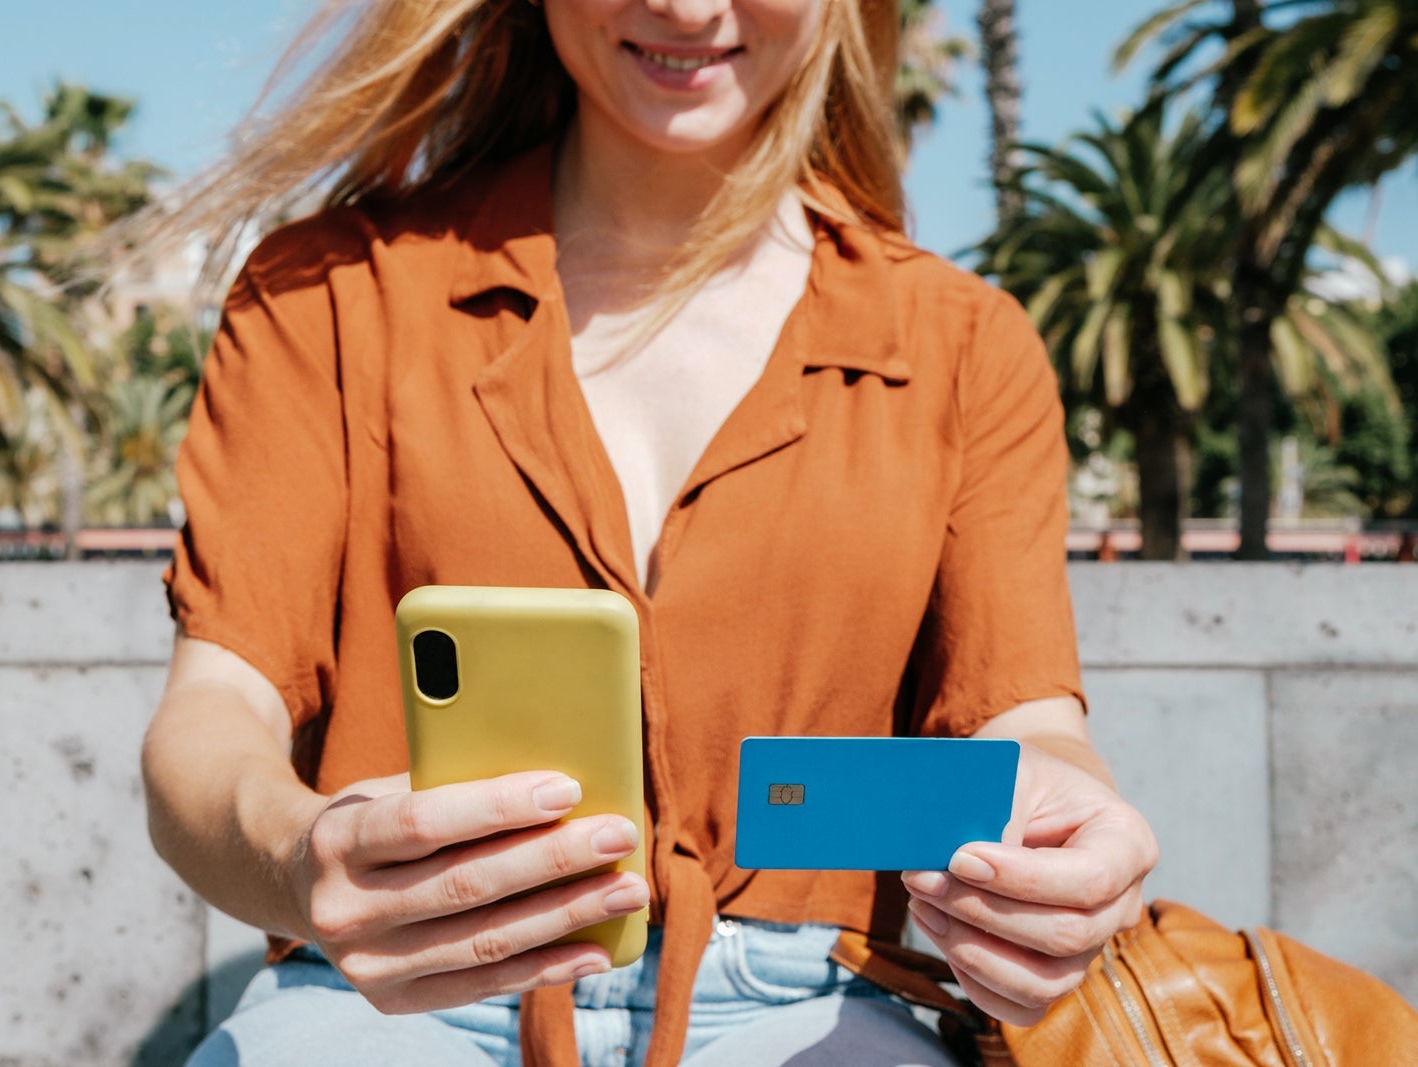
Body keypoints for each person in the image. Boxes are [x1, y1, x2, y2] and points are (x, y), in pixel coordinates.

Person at [139, 0, 1160, 1063]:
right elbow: (213, 713)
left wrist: (1070, 834)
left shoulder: (963, 346)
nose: (683, 5)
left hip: (817, 998)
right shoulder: (328, 295)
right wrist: (304, 859)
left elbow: (1025, 721)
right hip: (392, 1000)